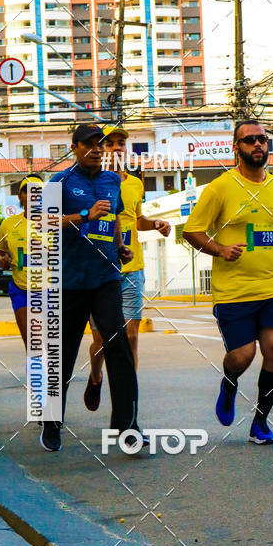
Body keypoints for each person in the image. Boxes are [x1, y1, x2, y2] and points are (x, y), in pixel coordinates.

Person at [183, 119, 273, 444]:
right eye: (250, 140)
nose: (258, 145)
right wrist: (220, 249)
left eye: (262, 139)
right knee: (242, 356)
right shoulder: (220, 188)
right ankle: (229, 382)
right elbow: (192, 230)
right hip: (233, 291)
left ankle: (260, 422)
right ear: (236, 147)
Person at [41, 124, 142, 452]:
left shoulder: (113, 181)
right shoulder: (60, 181)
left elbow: (111, 220)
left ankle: (127, 424)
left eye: (101, 144)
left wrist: (119, 248)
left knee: (119, 342)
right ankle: (51, 422)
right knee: (63, 354)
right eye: (89, 144)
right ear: (74, 147)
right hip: (69, 281)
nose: (97, 149)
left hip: (105, 277)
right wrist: (84, 214)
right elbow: (45, 220)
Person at [84, 126, 170, 411]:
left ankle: (127, 404)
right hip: (99, 270)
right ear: (100, 149)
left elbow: (137, 219)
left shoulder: (134, 183)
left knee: (131, 336)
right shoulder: (88, 182)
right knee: (102, 341)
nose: (118, 148)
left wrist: (156, 223)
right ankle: (95, 376)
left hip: (132, 267)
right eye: (111, 144)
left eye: (122, 143)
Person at [0, 175, 45, 351]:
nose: (34, 195)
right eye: (28, 191)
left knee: (52, 342)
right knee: (32, 342)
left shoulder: (57, 222)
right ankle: (38, 376)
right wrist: (2, 259)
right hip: (21, 289)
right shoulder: (9, 224)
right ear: (20, 197)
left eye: (38, 191)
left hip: (53, 292)